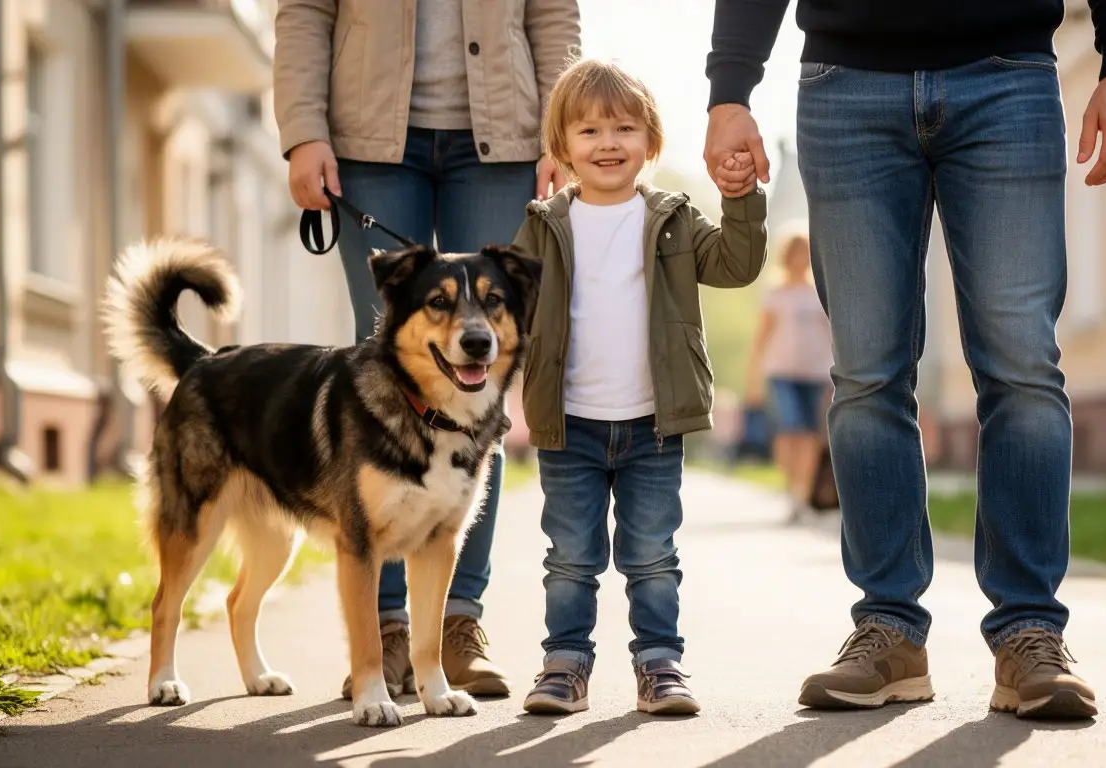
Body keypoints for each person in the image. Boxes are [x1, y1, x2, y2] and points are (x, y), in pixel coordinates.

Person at [704, 0, 1106, 719]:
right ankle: (888, 631)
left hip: (1007, 74)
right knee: (866, 375)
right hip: (843, 82)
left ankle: (1030, 632)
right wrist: (729, 90)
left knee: (1022, 365)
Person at [273, 0, 581, 701]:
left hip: (501, 138)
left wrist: (557, 131)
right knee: (383, 365)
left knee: (479, 384)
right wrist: (302, 131)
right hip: (368, 133)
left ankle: (456, 624)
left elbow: (555, 13)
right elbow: (305, 12)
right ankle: (384, 626)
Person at [512, 57, 768, 716]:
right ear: (561, 148)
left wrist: (740, 201)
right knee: (570, 557)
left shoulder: (674, 220)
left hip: (654, 423)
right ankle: (564, 666)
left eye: (624, 129)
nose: (607, 144)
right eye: (589, 131)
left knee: (652, 555)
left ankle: (660, 664)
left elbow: (738, 266)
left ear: (649, 143)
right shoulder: (545, 226)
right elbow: (505, 300)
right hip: (568, 424)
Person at [744, 226, 833, 520]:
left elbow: (833, 335)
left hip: (816, 372)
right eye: (795, 252)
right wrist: (753, 380)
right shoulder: (775, 293)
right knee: (788, 428)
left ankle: (802, 495)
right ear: (786, 256)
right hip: (781, 370)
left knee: (809, 432)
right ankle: (790, 484)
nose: (800, 258)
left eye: (805, 252)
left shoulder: (821, 291)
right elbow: (761, 339)